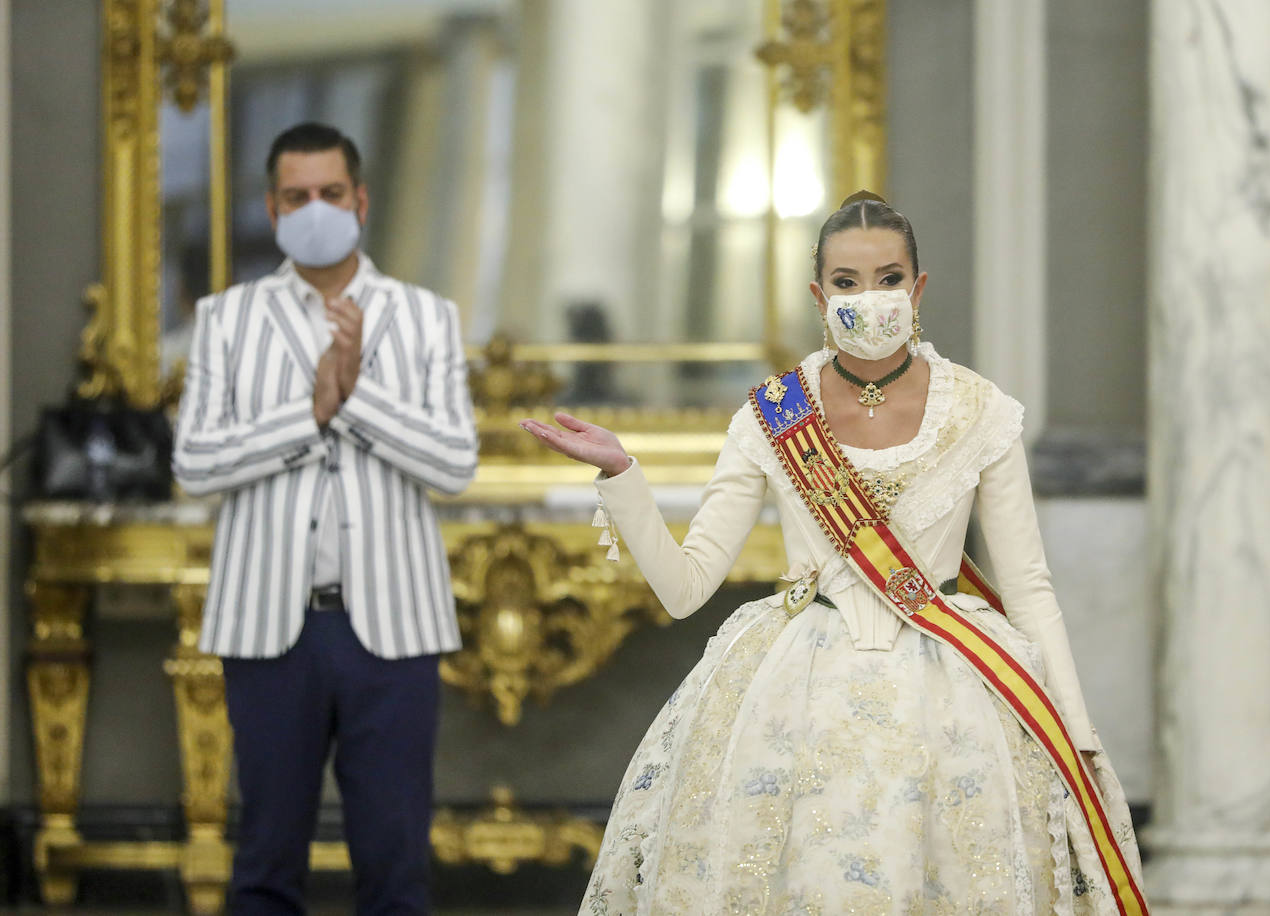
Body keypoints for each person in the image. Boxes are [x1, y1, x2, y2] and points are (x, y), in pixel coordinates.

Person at [521, 192, 1148, 914]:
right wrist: (622, 475)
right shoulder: (772, 413)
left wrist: (1076, 731)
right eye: (847, 283)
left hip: (954, 700)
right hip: (794, 695)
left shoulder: (982, 411)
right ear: (820, 296)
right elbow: (686, 587)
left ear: (917, 289)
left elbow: (1030, 588)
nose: (868, 298)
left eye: (887, 278)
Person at [172, 122, 477, 915]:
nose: (316, 209)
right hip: (269, 628)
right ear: (272, 210)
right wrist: (307, 414)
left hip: (395, 631)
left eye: (331, 194)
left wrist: (354, 398)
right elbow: (196, 464)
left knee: (396, 866)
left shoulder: (425, 317)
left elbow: (452, 463)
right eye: (297, 197)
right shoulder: (225, 319)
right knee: (266, 864)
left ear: (361, 201)